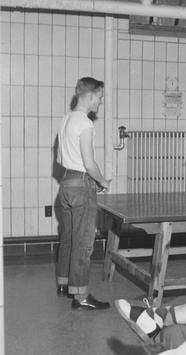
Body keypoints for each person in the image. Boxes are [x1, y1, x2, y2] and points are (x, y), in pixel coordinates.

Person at [56, 77, 111, 310]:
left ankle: (63, 284)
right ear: (90, 95)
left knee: (68, 238)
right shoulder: (85, 123)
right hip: (82, 187)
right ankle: (81, 296)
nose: (100, 102)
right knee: (84, 243)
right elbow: (89, 163)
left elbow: (60, 159)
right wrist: (101, 181)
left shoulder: (66, 119)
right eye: (100, 97)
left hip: (66, 184)